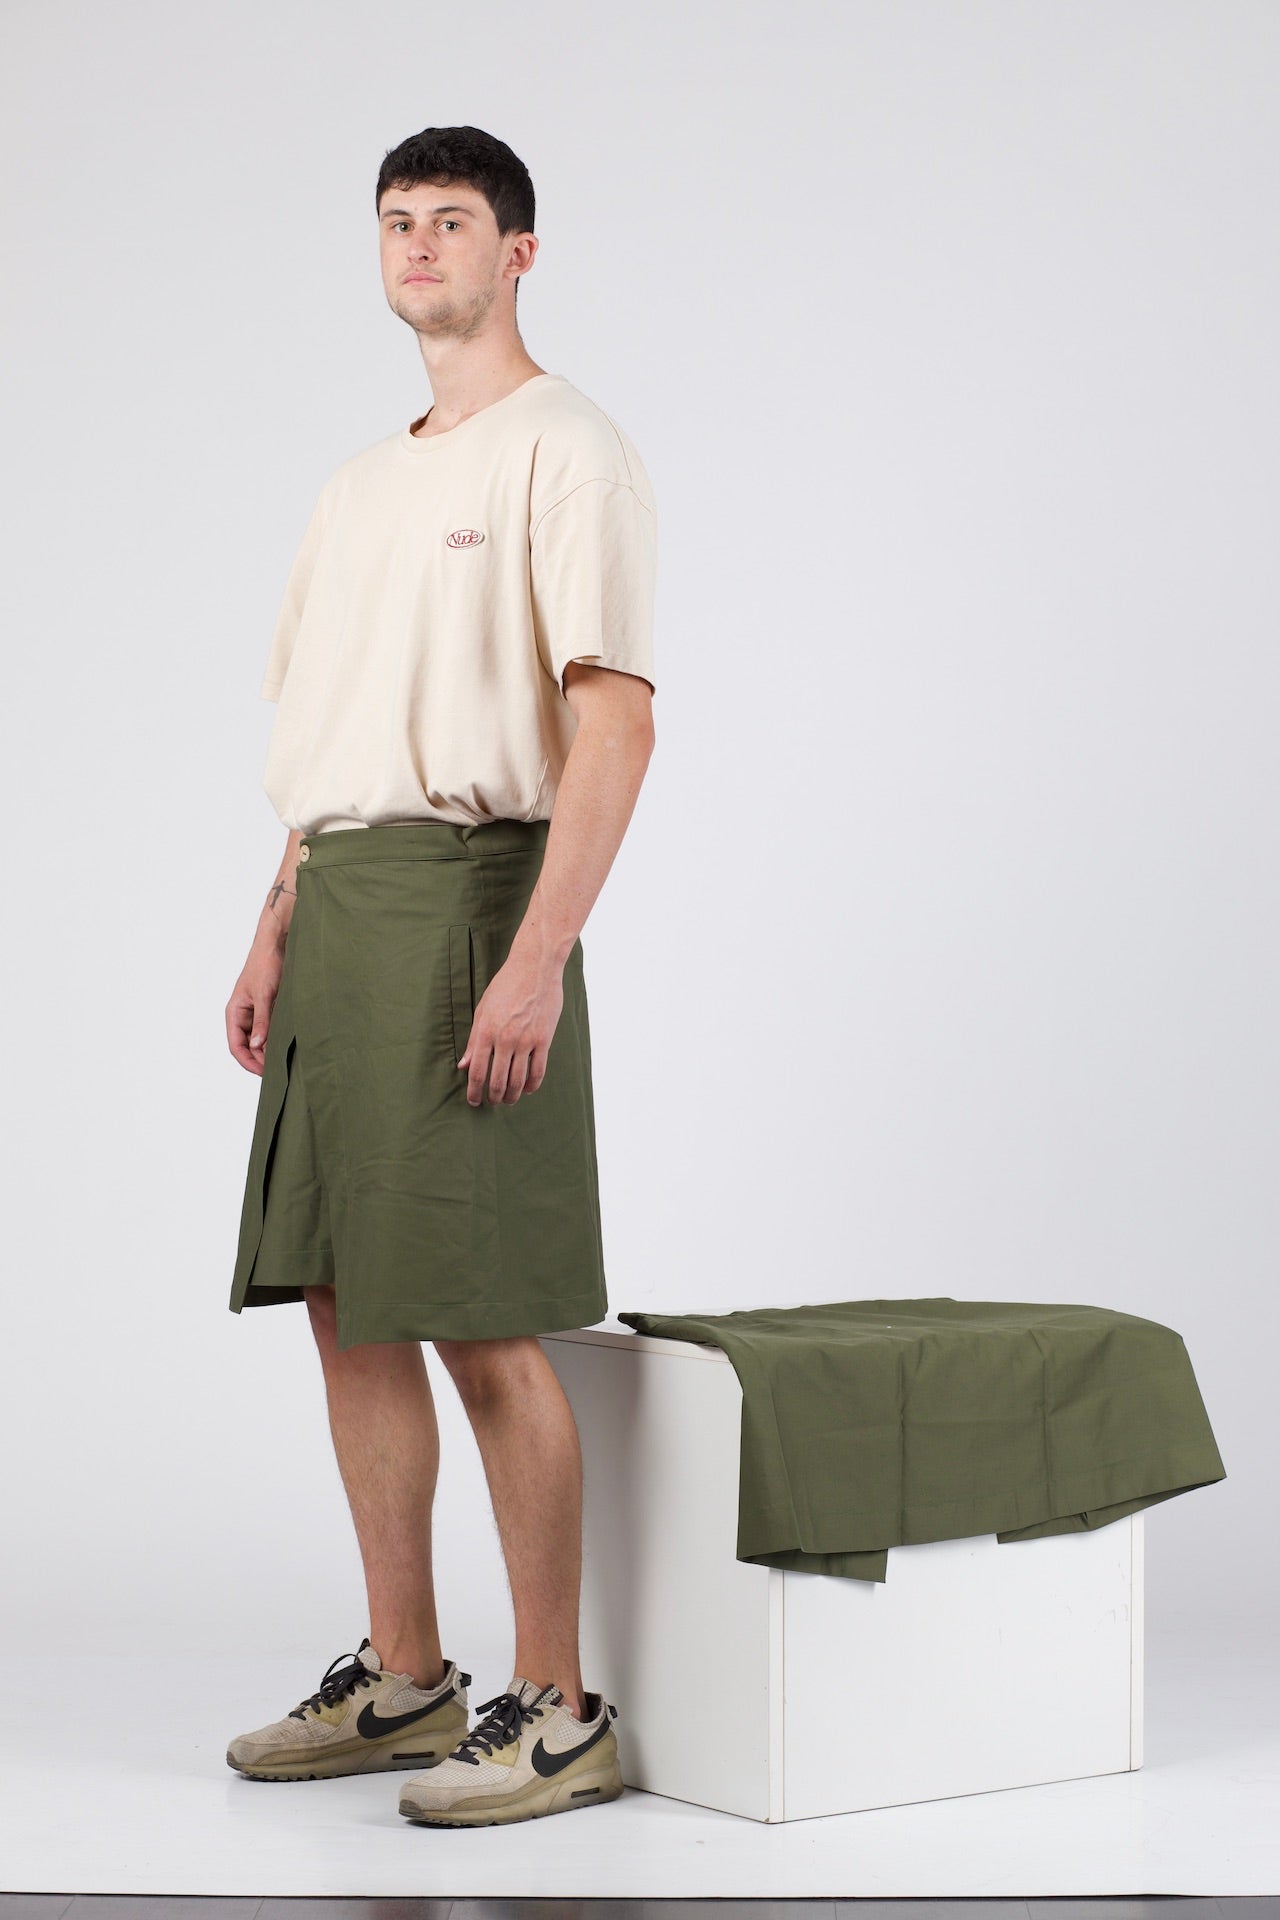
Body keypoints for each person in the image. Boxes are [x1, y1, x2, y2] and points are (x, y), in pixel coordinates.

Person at [221, 124, 656, 1828]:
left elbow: (614, 724)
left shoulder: (568, 451)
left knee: (480, 1309)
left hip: (476, 899)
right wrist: (276, 915)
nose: (418, 246)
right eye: (397, 221)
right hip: (340, 903)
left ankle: (558, 1706)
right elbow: (332, 728)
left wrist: (538, 957)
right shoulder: (357, 485)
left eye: (452, 221)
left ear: (518, 252)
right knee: (344, 1298)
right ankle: (408, 1678)